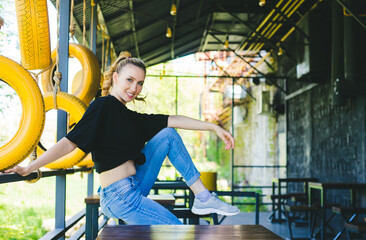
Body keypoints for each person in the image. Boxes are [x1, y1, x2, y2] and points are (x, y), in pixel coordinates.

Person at [5, 52, 239, 224]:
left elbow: (174, 119)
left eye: (139, 83)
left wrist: (214, 127)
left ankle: (202, 196)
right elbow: (69, 142)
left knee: (168, 134)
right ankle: (203, 198)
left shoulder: (132, 118)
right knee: (176, 231)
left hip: (137, 185)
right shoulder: (103, 106)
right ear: (115, 78)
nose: (135, 88)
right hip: (119, 196)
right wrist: (30, 168)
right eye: (130, 80)